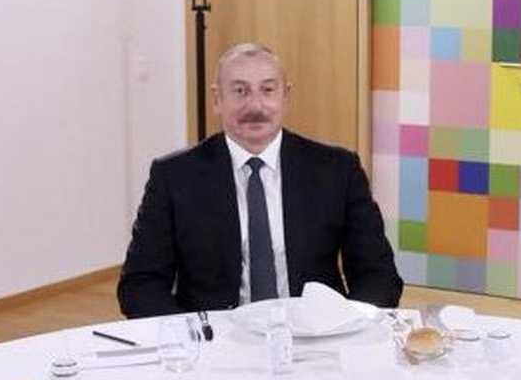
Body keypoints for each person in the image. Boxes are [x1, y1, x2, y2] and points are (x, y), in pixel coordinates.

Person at [117, 42, 404, 318]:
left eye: (267, 90)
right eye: (240, 91)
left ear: (285, 96)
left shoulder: (337, 169)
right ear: (217, 99)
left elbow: (378, 275)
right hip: (215, 338)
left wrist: (345, 328)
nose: (255, 105)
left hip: (313, 334)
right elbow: (140, 284)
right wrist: (194, 336)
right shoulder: (174, 176)